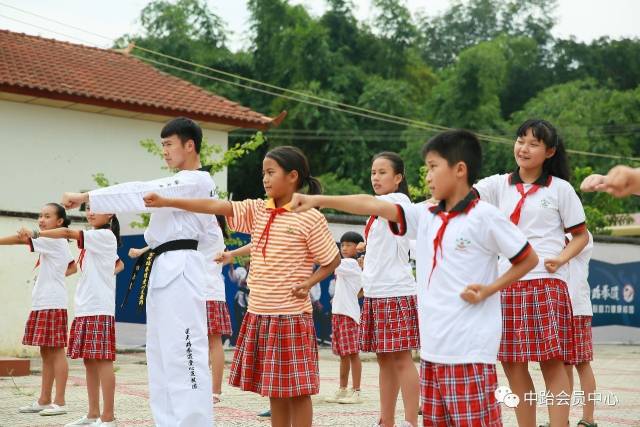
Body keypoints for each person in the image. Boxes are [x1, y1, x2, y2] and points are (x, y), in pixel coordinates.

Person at [289, 129, 539, 426]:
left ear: (460, 170)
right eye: (427, 168)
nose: (428, 177)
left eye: (434, 167)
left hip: (469, 349)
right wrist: (321, 199)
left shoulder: (485, 216)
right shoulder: (427, 215)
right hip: (434, 349)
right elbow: (371, 204)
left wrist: (489, 289)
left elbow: (528, 259)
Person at [143, 146, 341, 427]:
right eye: (263, 173)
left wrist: (309, 282)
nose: (265, 179)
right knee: (274, 390)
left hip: (292, 316)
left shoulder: (310, 217)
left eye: (271, 172)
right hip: (260, 312)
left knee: (298, 391)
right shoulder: (258, 210)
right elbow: (216, 206)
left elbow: (331, 260)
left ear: (293, 176)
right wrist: (167, 201)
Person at [59, 117, 215, 426]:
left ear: (189, 145)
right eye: (163, 146)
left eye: (169, 144)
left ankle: (193, 422)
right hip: (163, 266)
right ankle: (168, 421)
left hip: (182, 266)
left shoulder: (196, 181)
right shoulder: (181, 185)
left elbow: (141, 191)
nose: (165, 152)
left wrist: (88, 196)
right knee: (159, 353)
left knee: (184, 350)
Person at [474, 119, 589, 427]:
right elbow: (465, 194)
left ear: (549, 152)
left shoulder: (561, 189)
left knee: (552, 363)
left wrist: (559, 258)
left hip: (544, 282)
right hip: (507, 283)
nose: (523, 148)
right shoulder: (499, 184)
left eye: (533, 143)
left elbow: (580, 235)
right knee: (512, 364)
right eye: (520, 140)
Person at [20, 205, 122, 427]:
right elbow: (118, 264)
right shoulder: (94, 239)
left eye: (98, 209)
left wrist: (36, 233)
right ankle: (93, 414)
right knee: (89, 362)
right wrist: (104, 275)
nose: (91, 213)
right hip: (85, 307)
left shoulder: (104, 235)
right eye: (89, 209)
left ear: (111, 214)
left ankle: (108, 417)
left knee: (103, 361)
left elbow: (67, 233)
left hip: (99, 308)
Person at [0, 203, 76, 417]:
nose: (41, 220)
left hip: (52, 303)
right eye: (40, 216)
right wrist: (55, 276)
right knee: (46, 352)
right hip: (44, 302)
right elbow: (72, 266)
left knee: (57, 351)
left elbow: (20, 239)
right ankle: (44, 400)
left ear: (60, 222)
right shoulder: (55, 242)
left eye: (47, 216)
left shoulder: (54, 239)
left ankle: (59, 402)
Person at [325, 231, 364, 405]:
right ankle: (342, 389)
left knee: (353, 354)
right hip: (340, 313)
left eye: (349, 244)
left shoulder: (351, 264)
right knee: (343, 355)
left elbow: (330, 262)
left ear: (359, 247)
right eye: (342, 245)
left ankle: (356, 391)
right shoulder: (350, 265)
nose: (344, 248)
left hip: (348, 315)